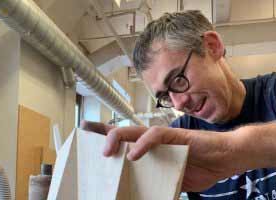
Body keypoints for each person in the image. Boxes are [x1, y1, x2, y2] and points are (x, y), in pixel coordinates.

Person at [81, 10, 276, 199]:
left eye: (178, 80)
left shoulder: (271, 92)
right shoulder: (180, 134)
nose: (179, 103)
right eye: (166, 96)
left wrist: (226, 153)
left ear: (212, 46)